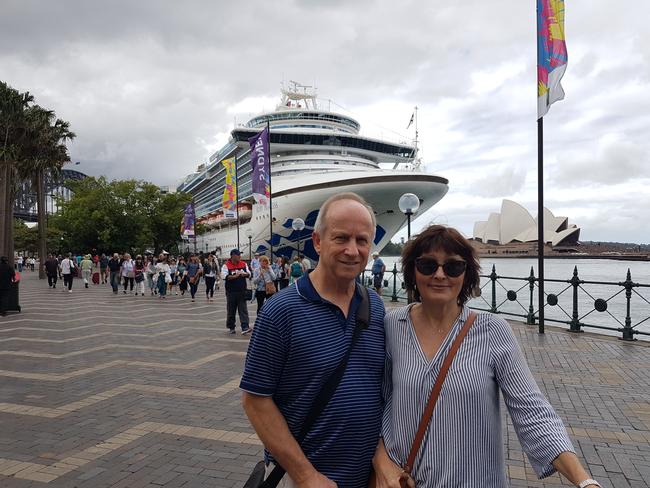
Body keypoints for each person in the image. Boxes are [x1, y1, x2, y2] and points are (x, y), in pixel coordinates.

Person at [372, 225, 601, 488]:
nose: (439, 274)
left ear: (467, 274)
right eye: (427, 265)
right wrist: (382, 464)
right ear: (413, 270)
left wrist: (584, 480)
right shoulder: (391, 326)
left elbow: (531, 411)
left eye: (453, 267)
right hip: (403, 481)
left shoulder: (493, 330)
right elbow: (374, 406)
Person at [241, 193, 385, 487]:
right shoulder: (281, 310)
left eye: (362, 240)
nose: (352, 250)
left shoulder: (375, 305)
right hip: (305, 479)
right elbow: (255, 400)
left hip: (367, 476)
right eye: (341, 238)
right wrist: (305, 475)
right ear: (317, 242)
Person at [221, 249, 251, 335]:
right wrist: (235, 276)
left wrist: (245, 274)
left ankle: (245, 327)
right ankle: (231, 327)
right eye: (238, 255)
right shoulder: (226, 265)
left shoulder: (243, 264)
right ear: (233, 256)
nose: (240, 257)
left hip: (242, 291)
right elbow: (224, 276)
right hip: (231, 292)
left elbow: (249, 273)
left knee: (243, 310)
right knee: (231, 310)